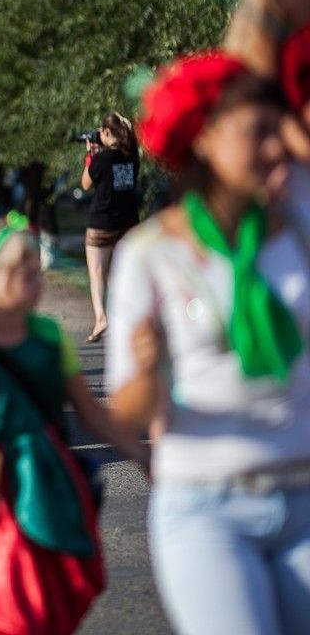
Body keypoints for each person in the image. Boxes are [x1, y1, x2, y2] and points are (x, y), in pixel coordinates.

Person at [107, 52, 310, 635]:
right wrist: (148, 373)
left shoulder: (297, 223)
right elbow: (127, 410)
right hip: (207, 510)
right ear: (205, 139)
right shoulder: (148, 254)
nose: (278, 148)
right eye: (260, 133)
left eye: (281, 129)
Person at [0, 214, 145, 635]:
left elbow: (91, 413)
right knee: (7, 608)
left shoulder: (49, 338)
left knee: (51, 602)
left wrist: (141, 453)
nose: (37, 284)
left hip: (48, 489)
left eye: (37, 274)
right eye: (25, 275)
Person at [79, 112, 139, 343]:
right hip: (128, 223)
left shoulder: (101, 160)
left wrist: (90, 157)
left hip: (101, 224)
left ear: (105, 132)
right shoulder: (132, 157)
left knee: (97, 273)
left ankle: (102, 318)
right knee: (121, 274)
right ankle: (126, 317)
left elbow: (85, 185)